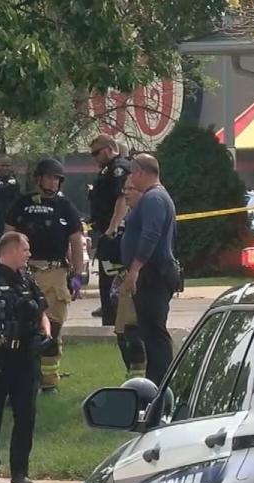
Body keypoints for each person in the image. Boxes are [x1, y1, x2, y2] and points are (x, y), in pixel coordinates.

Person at [0, 232, 50, 483]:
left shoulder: (27, 280)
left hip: (25, 356)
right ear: (11, 250)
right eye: (25, 249)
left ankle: (19, 471)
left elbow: (42, 313)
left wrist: (46, 334)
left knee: (26, 414)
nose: (28, 253)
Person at [4, 158, 85, 394]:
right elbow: (8, 236)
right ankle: (25, 380)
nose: (53, 182)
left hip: (55, 272)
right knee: (21, 328)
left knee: (53, 328)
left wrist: (78, 274)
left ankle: (50, 382)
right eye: (49, 177)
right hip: (25, 272)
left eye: (57, 178)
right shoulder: (22, 204)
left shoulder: (65, 207)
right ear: (38, 178)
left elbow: (76, 241)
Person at [120, 154, 179, 386]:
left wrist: (135, 268)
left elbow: (150, 235)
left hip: (153, 274)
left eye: (133, 173)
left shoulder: (154, 198)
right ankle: (155, 381)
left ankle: (161, 383)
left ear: (142, 172)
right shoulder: (154, 197)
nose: (132, 180)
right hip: (152, 273)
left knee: (155, 333)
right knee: (148, 332)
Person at [88, 135, 131, 326]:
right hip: (106, 231)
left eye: (96, 153)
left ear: (108, 149)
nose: (94, 158)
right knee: (106, 283)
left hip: (115, 235)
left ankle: (116, 322)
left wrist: (112, 228)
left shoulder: (118, 168)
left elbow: (122, 198)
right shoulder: (107, 170)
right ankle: (110, 317)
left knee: (112, 282)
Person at [113, 178, 147, 380]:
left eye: (130, 189)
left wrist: (134, 272)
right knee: (122, 331)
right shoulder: (130, 214)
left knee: (132, 331)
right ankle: (133, 375)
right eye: (124, 188)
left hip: (140, 279)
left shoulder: (146, 214)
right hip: (125, 276)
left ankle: (140, 380)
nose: (125, 193)